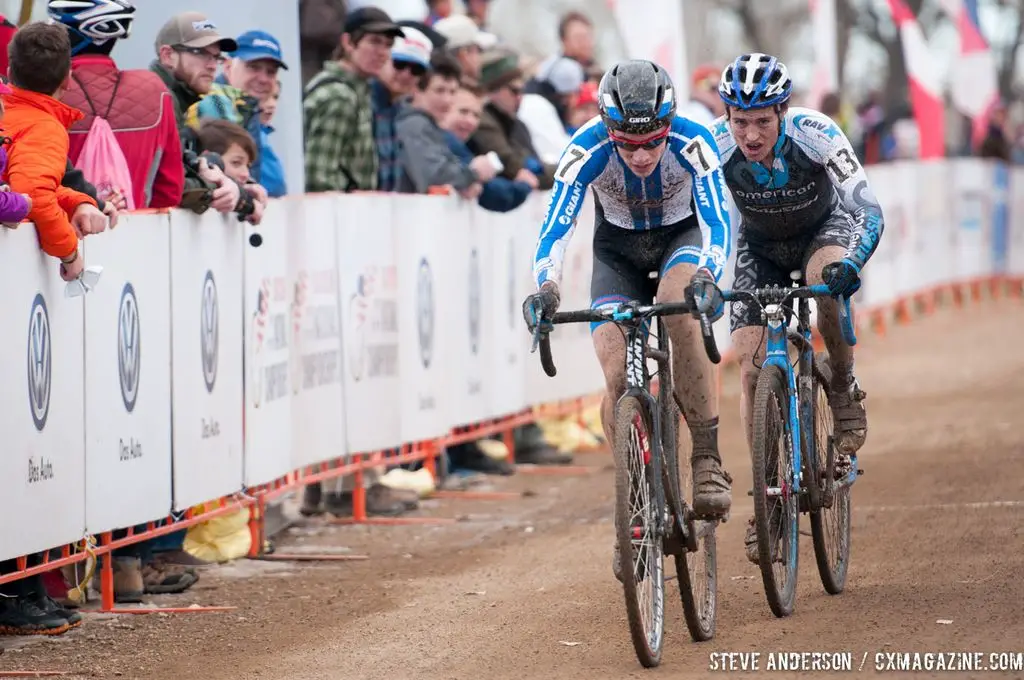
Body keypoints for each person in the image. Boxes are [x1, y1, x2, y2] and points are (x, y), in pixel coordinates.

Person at [523, 59, 734, 580]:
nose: (640, 154)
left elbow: (716, 221)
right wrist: (546, 287)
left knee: (676, 303)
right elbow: (555, 229)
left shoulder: (695, 140)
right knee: (617, 372)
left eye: (652, 142)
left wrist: (707, 273)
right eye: (627, 143)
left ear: (669, 124)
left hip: (679, 241)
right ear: (607, 127)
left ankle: (705, 456)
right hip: (616, 253)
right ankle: (633, 503)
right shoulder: (587, 147)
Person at [709, 53, 884, 563]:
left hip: (822, 234)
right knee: (749, 366)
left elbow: (867, 207)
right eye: (740, 121)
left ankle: (844, 383)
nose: (751, 135)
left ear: (783, 111)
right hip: (758, 250)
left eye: (762, 121)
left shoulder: (817, 132)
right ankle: (767, 496)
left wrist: (853, 261)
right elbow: (699, 216)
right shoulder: (714, 145)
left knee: (825, 283)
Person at [51, 0, 185, 210]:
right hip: (136, 230)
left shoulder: (47, 92)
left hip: (58, 233)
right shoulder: (156, 91)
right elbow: (170, 189)